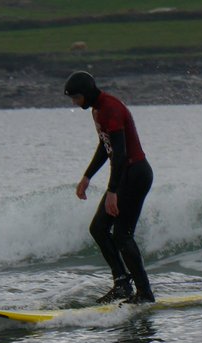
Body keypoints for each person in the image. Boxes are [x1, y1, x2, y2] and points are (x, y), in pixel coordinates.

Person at [64, 71, 156, 304]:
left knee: (123, 235)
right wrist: (87, 176)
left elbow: (121, 152)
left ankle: (144, 293)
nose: (74, 103)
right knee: (98, 228)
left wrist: (112, 192)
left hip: (135, 174)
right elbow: (106, 147)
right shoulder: (97, 109)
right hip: (125, 174)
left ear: (86, 93)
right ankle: (122, 283)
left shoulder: (111, 109)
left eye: (76, 98)